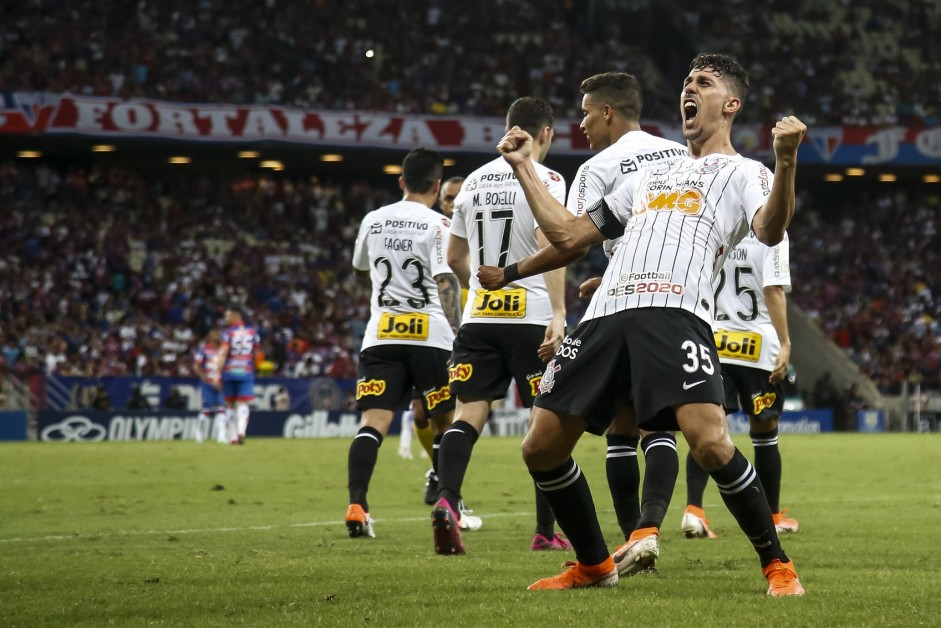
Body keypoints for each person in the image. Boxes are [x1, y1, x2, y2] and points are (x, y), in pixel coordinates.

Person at [493, 53, 806, 596]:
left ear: (729, 104)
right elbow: (569, 236)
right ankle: (593, 565)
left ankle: (778, 565)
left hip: (675, 312)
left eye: (703, 83)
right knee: (540, 447)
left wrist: (785, 161)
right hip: (606, 315)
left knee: (709, 443)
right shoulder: (649, 174)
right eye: (686, 81)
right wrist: (523, 168)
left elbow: (771, 230)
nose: (689, 89)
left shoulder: (746, 172)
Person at [480, 72, 689, 561]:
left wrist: (510, 271)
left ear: (608, 112)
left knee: (611, 427)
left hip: (627, 307)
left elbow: (566, 238)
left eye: (587, 113)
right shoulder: (682, 155)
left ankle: (626, 540)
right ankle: (648, 532)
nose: (582, 122)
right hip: (684, 297)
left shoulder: (599, 167)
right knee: (664, 428)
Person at [431, 96, 568, 556]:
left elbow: (453, 258)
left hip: (481, 318)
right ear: (544, 133)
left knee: (469, 413)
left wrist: (480, 290)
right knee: (543, 421)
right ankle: (545, 532)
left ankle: (448, 501)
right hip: (529, 318)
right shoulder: (549, 179)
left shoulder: (470, 181)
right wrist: (558, 313)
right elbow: (555, 245)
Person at [345, 147, 463, 539]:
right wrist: (459, 333)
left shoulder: (373, 220)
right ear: (436, 185)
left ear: (400, 182)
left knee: (373, 423)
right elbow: (446, 281)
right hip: (430, 336)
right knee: (445, 423)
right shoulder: (438, 225)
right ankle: (450, 505)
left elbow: (361, 266)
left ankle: (357, 506)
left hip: (381, 334)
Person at [682, 232, 799, 539]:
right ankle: (772, 515)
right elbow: (772, 289)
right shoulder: (773, 236)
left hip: (713, 342)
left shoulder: (717, 224)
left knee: (704, 430)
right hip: (757, 347)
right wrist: (785, 342)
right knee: (765, 432)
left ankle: (694, 510)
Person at [216, 305, 260, 445]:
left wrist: (217, 373)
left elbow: (223, 353)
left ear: (236, 316)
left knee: (229, 403)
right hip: (246, 370)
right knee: (243, 402)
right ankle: (242, 431)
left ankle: (234, 436)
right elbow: (257, 354)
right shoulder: (252, 332)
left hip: (230, 370)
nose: (226, 318)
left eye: (228, 315)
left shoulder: (228, 333)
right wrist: (254, 367)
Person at [194, 329, 227, 444]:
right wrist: (204, 378)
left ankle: (221, 435)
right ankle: (199, 433)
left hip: (220, 384)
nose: (216, 344)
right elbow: (196, 367)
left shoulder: (223, 351)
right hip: (208, 384)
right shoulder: (203, 350)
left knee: (221, 408)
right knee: (206, 410)